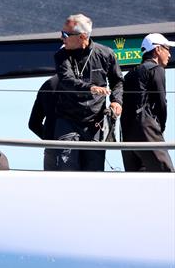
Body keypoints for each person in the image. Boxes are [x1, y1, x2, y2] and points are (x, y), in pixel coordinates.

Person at [53, 13, 123, 171]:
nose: (61, 38)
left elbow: (117, 81)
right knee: (67, 170)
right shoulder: (61, 55)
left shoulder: (106, 54)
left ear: (82, 36)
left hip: (95, 124)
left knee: (94, 172)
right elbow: (66, 80)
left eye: (65, 34)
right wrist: (90, 88)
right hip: (68, 121)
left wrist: (116, 101)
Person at [120, 33, 174, 172]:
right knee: (166, 174)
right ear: (158, 49)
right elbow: (161, 102)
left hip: (125, 131)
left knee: (137, 179)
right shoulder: (156, 69)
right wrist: (159, 127)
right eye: (168, 49)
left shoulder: (130, 74)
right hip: (146, 128)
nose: (170, 55)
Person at [28, 75, 60, 170]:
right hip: (81, 148)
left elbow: (33, 124)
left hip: (52, 146)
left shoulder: (48, 84)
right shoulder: (86, 84)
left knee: (51, 183)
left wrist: (48, 138)